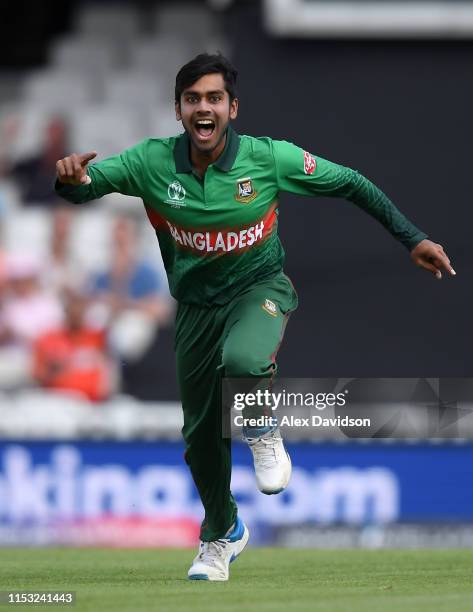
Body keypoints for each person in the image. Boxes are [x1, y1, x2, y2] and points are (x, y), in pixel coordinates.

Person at [54, 53, 455, 581]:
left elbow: (352, 182)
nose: (204, 108)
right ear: (178, 110)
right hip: (196, 309)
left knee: (243, 358)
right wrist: (70, 180)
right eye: (193, 99)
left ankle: (262, 426)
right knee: (200, 442)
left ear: (232, 108)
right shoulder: (151, 162)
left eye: (214, 98)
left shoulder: (268, 158)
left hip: (259, 289)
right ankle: (222, 535)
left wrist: (413, 238)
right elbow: (88, 186)